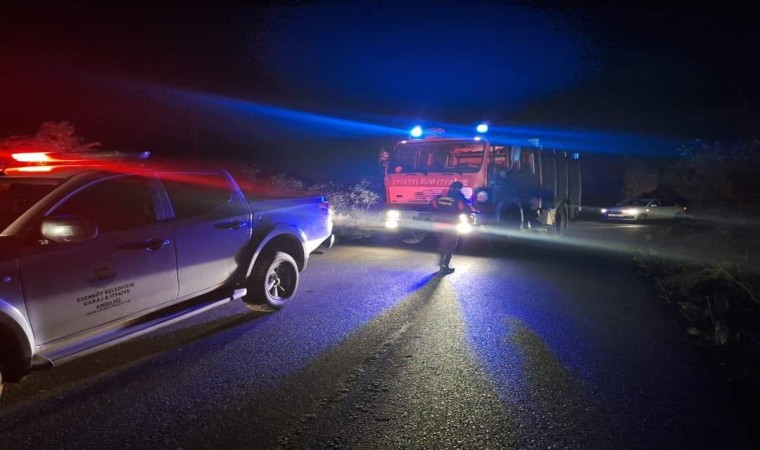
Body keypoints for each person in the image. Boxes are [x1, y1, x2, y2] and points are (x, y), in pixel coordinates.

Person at [430, 181, 469, 275]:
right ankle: (444, 267)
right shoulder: (459, 196)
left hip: (438, 223)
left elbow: (433, 205)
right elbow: (462, 208)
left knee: (442, 243)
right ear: (460, 188)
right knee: (450, 245)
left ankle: (441, 263)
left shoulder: (440, 196)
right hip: (451, 224)